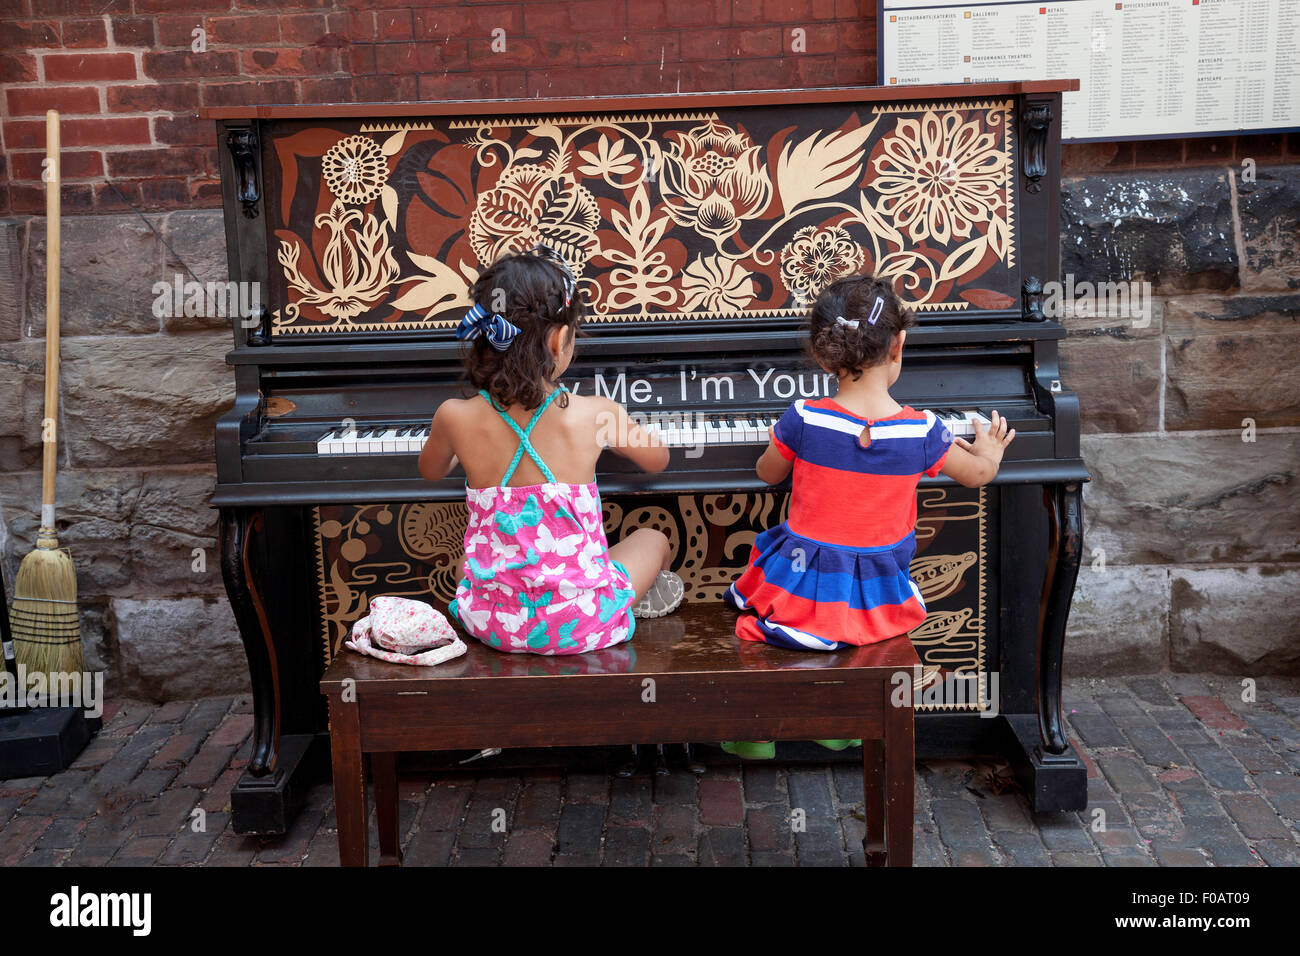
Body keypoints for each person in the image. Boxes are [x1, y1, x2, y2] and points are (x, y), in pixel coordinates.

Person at [721, 274, 1015, 757]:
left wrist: (780, 449)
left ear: (822, 356)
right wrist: (991, 450)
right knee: (854, 634)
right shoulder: (925, 431)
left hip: (799, 582)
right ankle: (839, 720)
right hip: (874, 590)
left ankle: (755, 726)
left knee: (766, 614)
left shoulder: (805, 418)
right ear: (899, 346)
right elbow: (978, 474)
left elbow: (768, 473)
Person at [417, 247, 685, 655]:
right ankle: (623, 608)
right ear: (559, 340)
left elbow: (432, 470)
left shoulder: (454, 415)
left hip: (493, 623)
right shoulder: (597, 413)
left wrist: (461, 447)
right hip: (580, 622)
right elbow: (657, 459)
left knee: (467, 565)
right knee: (652, 539)